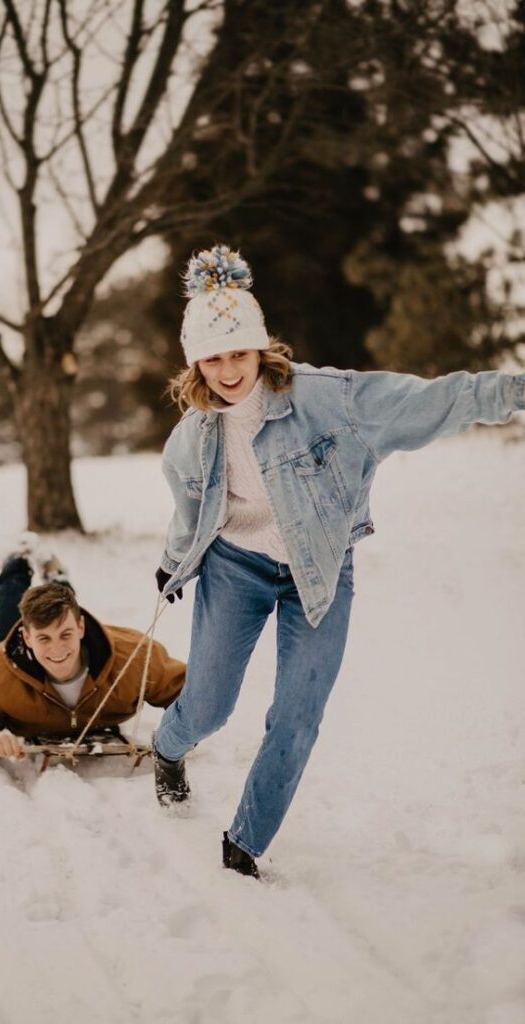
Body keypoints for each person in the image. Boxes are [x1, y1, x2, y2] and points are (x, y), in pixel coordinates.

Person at [152, 243, 525, 880]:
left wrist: (512, 390)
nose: (229, 369)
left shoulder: (331, 401)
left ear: (260, 348)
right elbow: (192, 511)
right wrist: (171, 563)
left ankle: (245, 843)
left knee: (299, 713)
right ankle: (167, 748)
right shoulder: (189, 439)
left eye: (239, 352)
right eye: (213, 358)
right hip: (234, 569)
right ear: (195, 364)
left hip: (319, 572)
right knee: (209, 704)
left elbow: (432, 401)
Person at [0, 536, 186, 766]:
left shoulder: (134, 656)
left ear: (81, 627)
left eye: (66, 635)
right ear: (26, 637)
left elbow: (187, 691)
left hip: (79, 629)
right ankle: (18, 560)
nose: (57, 649)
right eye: (43, 638)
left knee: (61, 605)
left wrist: (181, 731)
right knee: (12, 600)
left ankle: (56, 578)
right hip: (14, 663)